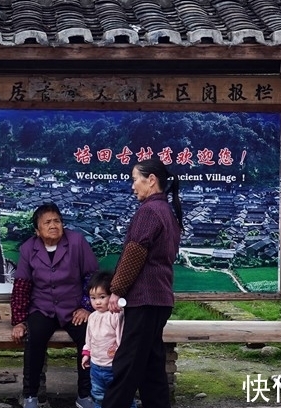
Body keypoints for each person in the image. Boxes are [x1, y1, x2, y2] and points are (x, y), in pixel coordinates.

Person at [101, 158, 183, 408]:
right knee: (151, 368)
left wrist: (117, 290)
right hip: (160, 300)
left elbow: (134, 253)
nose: (133, 185)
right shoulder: (167, 211)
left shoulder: (149, 211)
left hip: (144, 300)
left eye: (135, 179)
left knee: (126, 366)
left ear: (151, 180)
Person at [10, 202, 99, 408]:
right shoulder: (28, 248)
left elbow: (92, 277)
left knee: (89, 337)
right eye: (47, 222)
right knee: (34, 338)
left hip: (73, 307)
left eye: (57, 221)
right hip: (43, 308)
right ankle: (30, 395)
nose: (53, 225)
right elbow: (22, 285)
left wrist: (87, 307)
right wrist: (19, 321)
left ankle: (85, 395)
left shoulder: (77, 242)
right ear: (37, 230)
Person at [81, 271, 135, 408]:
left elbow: (121, 338)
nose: (97, 302)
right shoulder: (92, 317)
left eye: (102, 297)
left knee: (122, 396)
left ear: (112, 296)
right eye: (93, 298)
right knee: (98, 396)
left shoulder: (116, 315)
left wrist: (122, 360)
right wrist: (87, 354)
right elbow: (89, 338)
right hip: (95, 366)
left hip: (113, 367)